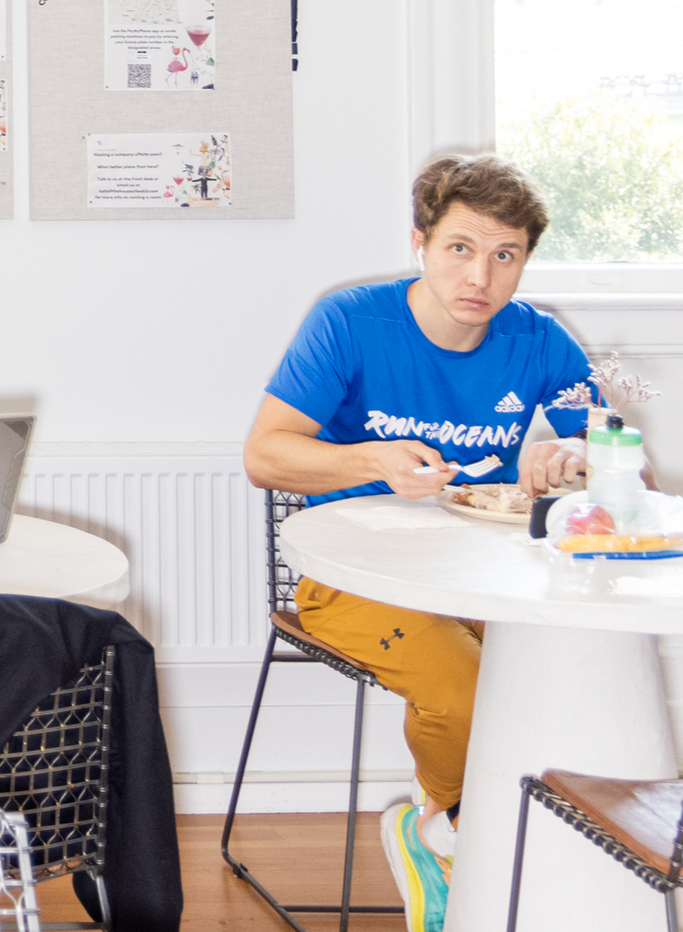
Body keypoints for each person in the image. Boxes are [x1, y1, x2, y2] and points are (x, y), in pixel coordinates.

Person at [243, 155, 600, 932]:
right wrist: (366, 458)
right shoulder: (349, 321)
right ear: (421, 242)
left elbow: (618, 456)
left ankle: (444, 836)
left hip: (484, 576)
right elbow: (263, 455)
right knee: (470, 691)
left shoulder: (539, 342)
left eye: (506, 255)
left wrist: (576, 464)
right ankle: (466, 840)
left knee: (569, 682)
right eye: (461, 248)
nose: (482, 275)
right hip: (350, 575)